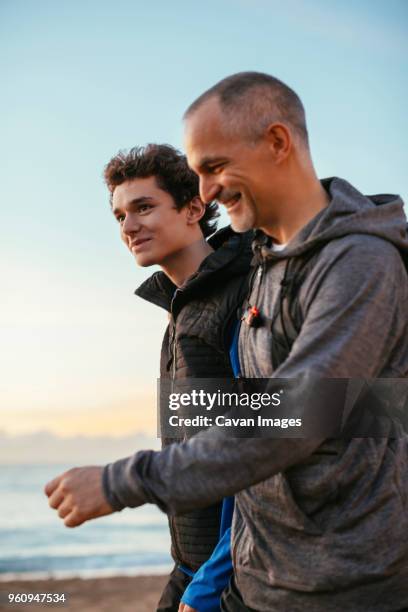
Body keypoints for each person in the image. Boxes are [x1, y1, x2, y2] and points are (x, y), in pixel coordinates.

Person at [46, 73, 408, 611]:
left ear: (278, 143)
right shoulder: (263, 262)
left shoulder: (360, 262)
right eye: (198, 173)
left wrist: (122, 482)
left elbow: (294, 419)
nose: (207, 190)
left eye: (214, 168)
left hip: (345, 588)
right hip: (260, 580)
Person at [47, 143, 252, 612]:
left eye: (143, 207)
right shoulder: (178, 312)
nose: (129, 226)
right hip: (188, 564)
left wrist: (210, 582)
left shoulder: (241, 301)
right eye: (120, 215)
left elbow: (261, 452)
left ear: (194, 208)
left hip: (226, 577)